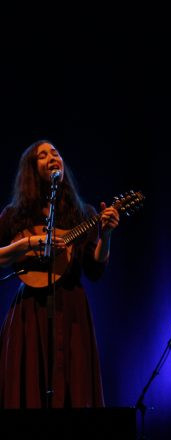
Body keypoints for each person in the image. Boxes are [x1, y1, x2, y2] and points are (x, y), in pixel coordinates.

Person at [0, 140, 119, 408]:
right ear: (32, 169)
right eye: (43, 156)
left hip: (71, 309)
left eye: (55, 153)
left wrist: (107, 235)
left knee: (73, 387)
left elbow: (94, 268)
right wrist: (28, 243)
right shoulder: (14, 215)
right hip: (29, 310)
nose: (53, 157)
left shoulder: (82, 214)